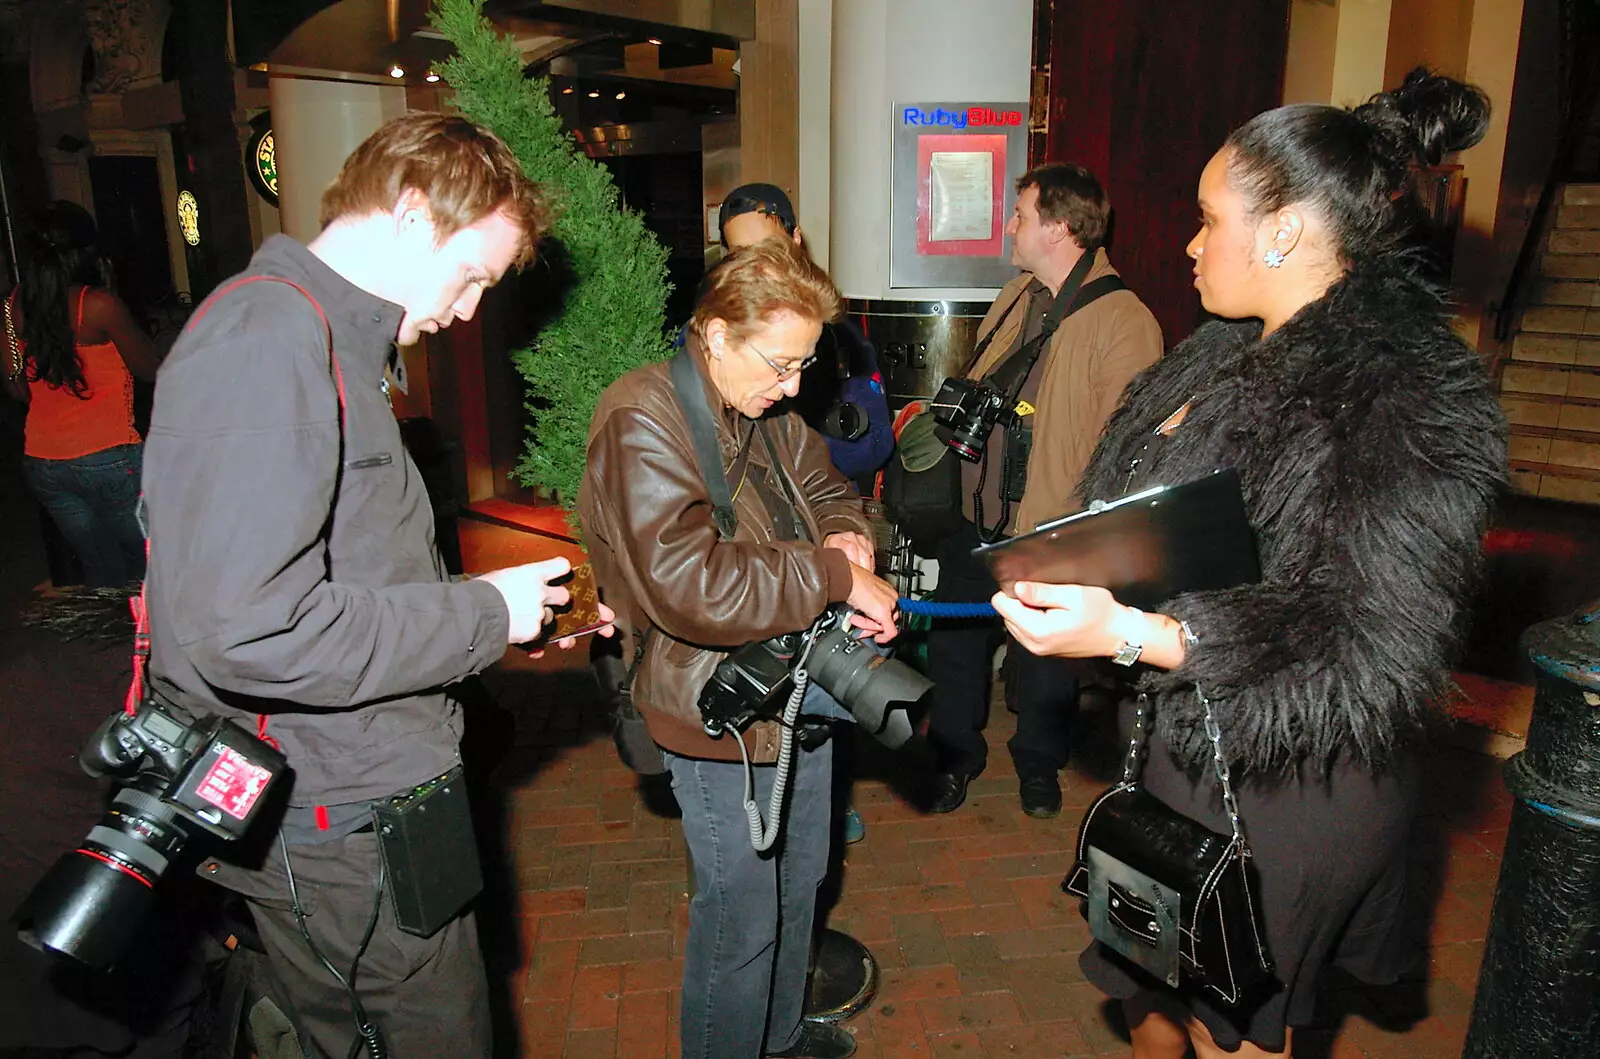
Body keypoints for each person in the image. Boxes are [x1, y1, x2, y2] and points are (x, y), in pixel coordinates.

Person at [990, 70, 1505, 1058]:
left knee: (1234, 1017)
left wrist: (1135, 631)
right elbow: (1159, 513)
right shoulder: (1225, 347)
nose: (1187, 242)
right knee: (1141, 969)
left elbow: (1367, 639)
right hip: (1185, 734)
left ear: (1279, 231)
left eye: (1205, 217)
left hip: (1294, 774)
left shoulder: (1401, 391)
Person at [141, 113, 609, 1058]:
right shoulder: (267, 338)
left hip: (373, 796)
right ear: (409, 214)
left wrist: (494, 616)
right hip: (334, 825)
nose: (470, 311)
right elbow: (247, 628)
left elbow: (343, 570)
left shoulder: (325, 338)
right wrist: (486, 613)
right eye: (473, 274)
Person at [579, 238, 901, 1059]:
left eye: (804, 365)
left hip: (796, 682)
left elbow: (828, 483)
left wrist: (845, 534)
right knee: (741, 916)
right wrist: (831, 574)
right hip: (713, 708)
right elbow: (691, 585)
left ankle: (783, 1037)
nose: (794, 386)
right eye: (781, 363)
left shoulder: (760, 403)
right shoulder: (641, 417)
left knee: (802, 880)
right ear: (715, 332)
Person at [924, 163, 1162, 817]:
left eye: (1022, 214)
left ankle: (1038, 764)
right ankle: (953, 757)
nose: (1010, 226)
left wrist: (1092, 535)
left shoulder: (1124, 319)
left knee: (1046, 663)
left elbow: (1133, 443)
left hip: (1054, 527)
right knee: (955, 647)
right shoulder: (1016, 296)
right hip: (978, 514)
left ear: (1059, 227)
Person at [3, 201, 161, 587]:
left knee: (100, 569)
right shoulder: (98, 305)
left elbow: (16, 387)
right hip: (110, 457)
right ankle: (158, 641)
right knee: (153, 565)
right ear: (86, 251)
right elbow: (150, 368)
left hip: (44, 462)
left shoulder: (11, 309)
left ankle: (118, 643)